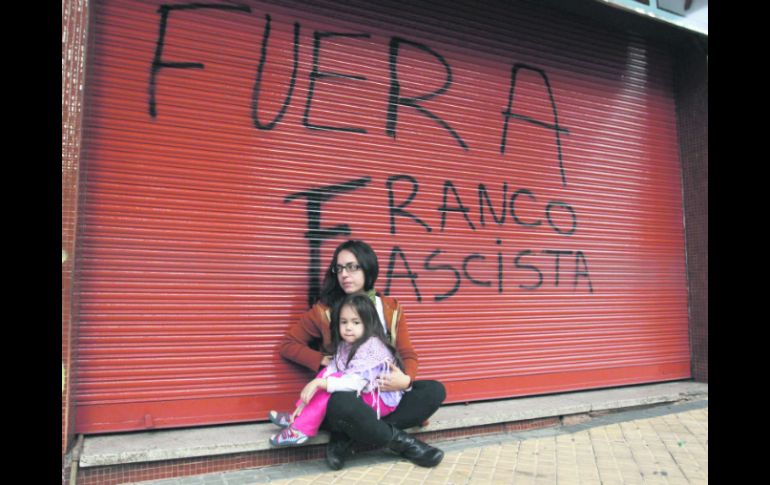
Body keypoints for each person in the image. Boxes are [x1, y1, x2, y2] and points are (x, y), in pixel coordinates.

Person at [279, 239, 446, 469]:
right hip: (347, 394)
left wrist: (405, 380)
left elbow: (408, 353)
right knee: (342, 402)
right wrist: (322, 360)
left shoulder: (390, 308)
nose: (344, 274)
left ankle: (347, 437)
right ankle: (406, 445)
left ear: (368, 268)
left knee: (434, 391)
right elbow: (289, 344)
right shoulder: (324, 311)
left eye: (352, 267)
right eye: (339, 268)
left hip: (382, 394)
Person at [268, 293, 405, 446]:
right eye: (343, 322)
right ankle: (299, 415)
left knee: (329, 389)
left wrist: (321, 384)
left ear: (368, 323)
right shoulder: (346, 345)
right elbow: (332, 369)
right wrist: (307, 397)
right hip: (364, 392)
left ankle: (301, 430)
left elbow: (356, 382)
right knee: (325, 375)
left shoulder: (372, 347)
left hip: (379, 400)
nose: (348, 328)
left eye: (356, 322)